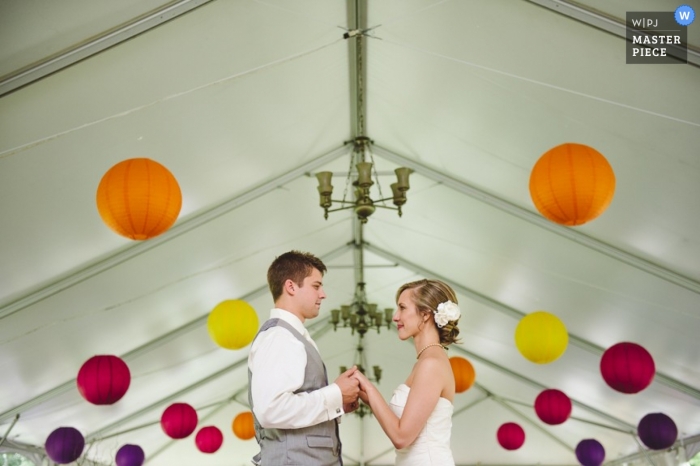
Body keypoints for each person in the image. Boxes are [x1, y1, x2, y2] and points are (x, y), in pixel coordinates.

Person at [247, 250, 360, 466]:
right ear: (291, 287)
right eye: (316, 286)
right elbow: (272, 410)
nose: (323, 294)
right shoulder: (280, 336)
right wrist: (335, 393)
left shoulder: (292, 335)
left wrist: (340, 402)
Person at [353, 279, 461, 466]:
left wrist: (370, 388)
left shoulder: (431, 364)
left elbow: (401, 437)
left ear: (425, 314)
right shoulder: (427, 361)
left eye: (402, 308)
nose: (395, 316)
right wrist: (364, 393)